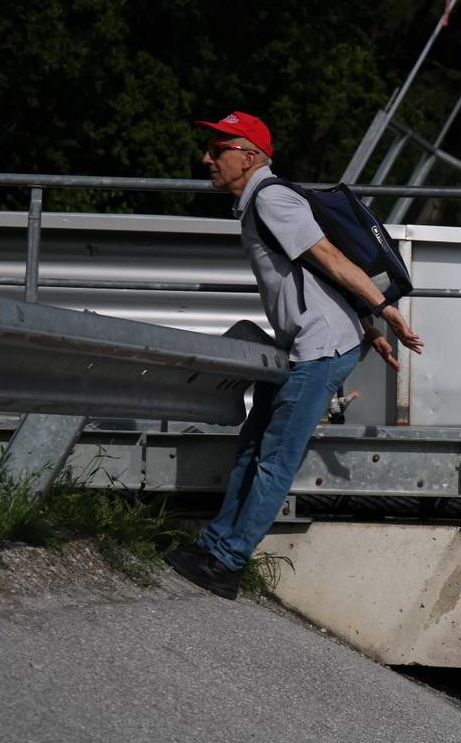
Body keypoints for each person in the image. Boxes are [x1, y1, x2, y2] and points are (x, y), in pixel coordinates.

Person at [164, 111, 423, 599]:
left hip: (318, 352)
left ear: (249, 156)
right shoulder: (259, 200)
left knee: (274, 460)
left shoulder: (274, 199)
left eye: (218, 149)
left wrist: (384, 310)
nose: (207, 157)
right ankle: (216, 544)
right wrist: (368, 327)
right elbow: (316, 277)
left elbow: (330, 259)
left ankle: (227, 563)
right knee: (253, 446)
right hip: (306, 345)